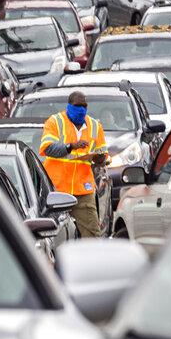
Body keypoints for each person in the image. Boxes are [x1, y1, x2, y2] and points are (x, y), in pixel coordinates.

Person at [39, 91, 107, 238]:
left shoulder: (95, 126)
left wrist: (100, 159)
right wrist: (71, 146)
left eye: (84, 106)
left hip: (83, 190)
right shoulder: (55, 122)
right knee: (53, 236)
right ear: (69, 106)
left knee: (93, 234)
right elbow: (48, 148)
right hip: (57, 190)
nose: (81, 109)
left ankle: (91, 261)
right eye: (78, 105)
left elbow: (102, 159)